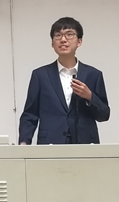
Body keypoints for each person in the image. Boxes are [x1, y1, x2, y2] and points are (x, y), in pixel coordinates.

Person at [18, 17, 110, 145]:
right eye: (58, 35)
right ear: (52, 43)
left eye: (69, 34)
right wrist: (24, 142)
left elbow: (104, 115)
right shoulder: (40, 75)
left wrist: (90, 96)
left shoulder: (93, 75)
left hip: (85, 144)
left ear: (79, 41)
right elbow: (30, 114)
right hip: (50, 144)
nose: (63, 39)